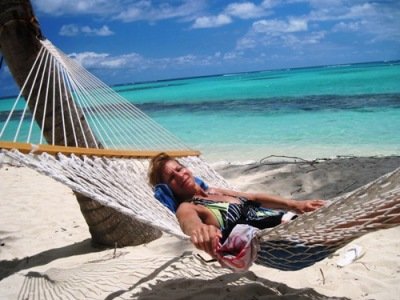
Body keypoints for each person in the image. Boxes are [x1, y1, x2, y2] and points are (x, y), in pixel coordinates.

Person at [148, 153, 325, 258]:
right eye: (172, 178)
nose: (180, 176)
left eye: (179, 169)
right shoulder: (187, 207)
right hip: (275, 242)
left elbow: (254, 197)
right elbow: (191, 225)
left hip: (290, 222)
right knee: (341, 227)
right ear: (168, 189)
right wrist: (201, 232)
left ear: (188, 168)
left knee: (338, 220)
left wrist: (295, 204)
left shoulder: (214, 191)